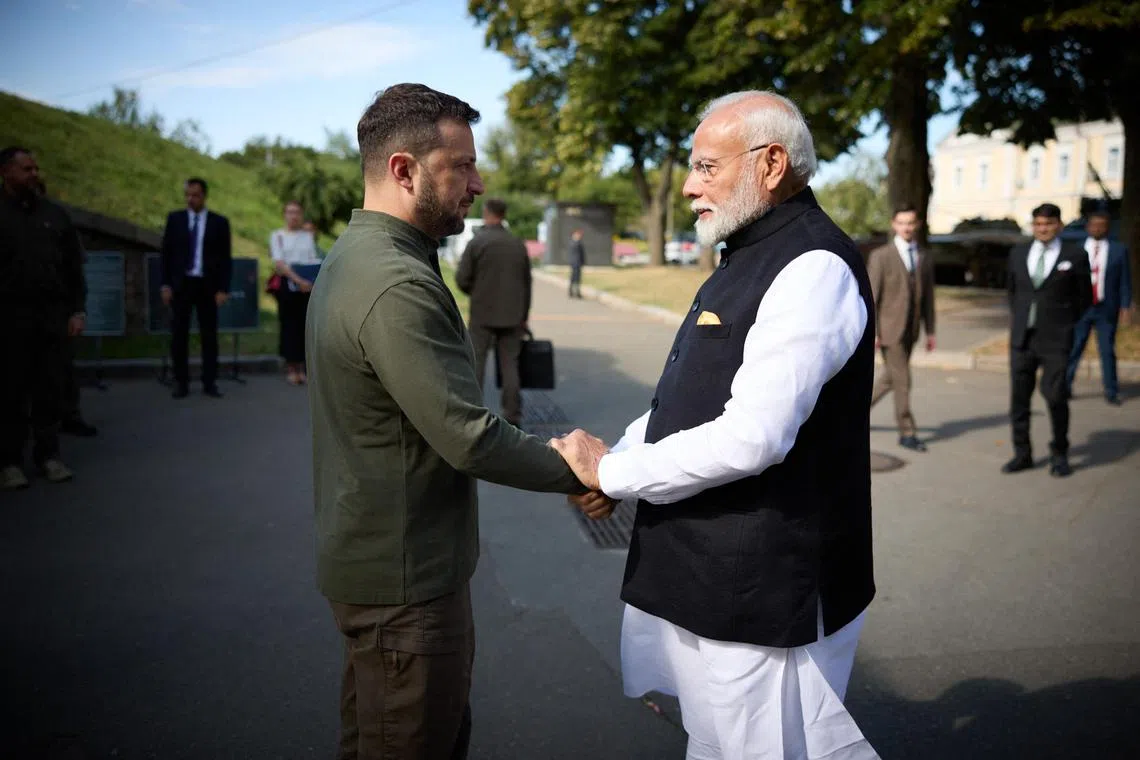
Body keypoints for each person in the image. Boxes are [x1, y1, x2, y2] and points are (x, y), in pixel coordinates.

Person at [552, 91, 880, 759]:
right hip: (709, 573)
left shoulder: (811, 265)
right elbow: (688, 398)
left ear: (772, 163)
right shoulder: (746, 251)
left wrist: (612, 470)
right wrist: (616, 463)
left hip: (763, 586)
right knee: (714, 743)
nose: (692, 188)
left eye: (707, 167)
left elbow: (752, 436)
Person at [305, 83, 604, 760]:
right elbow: (468, 434)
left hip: (382, 563)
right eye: (461, 165)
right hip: (404, 586)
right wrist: (581, 469)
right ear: (404, 170)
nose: (478, 181)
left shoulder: (364, 258)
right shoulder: (394, 282)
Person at [0, 147, 86, 489]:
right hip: (8, 317)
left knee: (49, 388)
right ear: (6, 172)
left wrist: (76, 310)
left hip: (51, 317)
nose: (34, 174)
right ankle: (9, 461)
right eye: (26, 169)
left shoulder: (55, 215)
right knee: (10, 389)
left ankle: (49, 456)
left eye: (36, 167)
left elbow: (73, 269)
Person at [1003, 203, 1091, 478]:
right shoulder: (1018, 253)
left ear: (1059, 226)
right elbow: (1012, 292)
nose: (1043, 229)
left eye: (1048, 224)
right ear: (1033, 226)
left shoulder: (1074, 255)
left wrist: (1064, 323)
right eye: (1038, 224)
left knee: (1055, 397)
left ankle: (1059, 454)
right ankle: (1022, 453)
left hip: (1055, 340)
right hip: (1022, 339)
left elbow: (1084, 298)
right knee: (1019, 400)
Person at [455, 198, 532, 426]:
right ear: (504, 214)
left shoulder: (478, 243)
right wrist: (524, 315)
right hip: (513, 315)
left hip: (482, 313)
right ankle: (512, 415)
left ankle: (475, 413)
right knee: (510, 366)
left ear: (487, 213)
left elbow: (461, 279)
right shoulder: (517, 244)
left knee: (477, 363)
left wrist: (475, 292)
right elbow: (527, 283)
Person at [867, 204, 936, 452]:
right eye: (902, 223)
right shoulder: (881, 257)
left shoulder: (924, 256)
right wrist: (873, 331)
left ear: (916, 225)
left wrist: (930, 331)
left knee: (889, 379)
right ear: (894, 225)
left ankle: (851, 414)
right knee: (903, 380)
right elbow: (871, 297)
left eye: (911, 223)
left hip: (912, 330)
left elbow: (928, 297)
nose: (906, 227)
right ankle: (907, 432)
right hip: (888, 330)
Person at [159, 177, 232, 399]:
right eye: (188, 195)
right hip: (182, 285)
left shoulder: (219, 222)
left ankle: (209, 382)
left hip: (207, 286)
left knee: (209, 336)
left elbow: (225, 259)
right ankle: (181, 382)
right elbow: (166, 255)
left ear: (204, 196)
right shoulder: (175, 219)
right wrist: (165, 284)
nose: (191, 199)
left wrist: (223, 289)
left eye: (196, 195)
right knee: (179, 335)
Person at [1065, 210, 1132, 405]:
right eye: (1094, 225)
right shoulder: (1076, 249)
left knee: (1107, 350)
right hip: (1082, 308)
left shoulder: (1119, 250)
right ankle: (1065, 386)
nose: (1097, 229)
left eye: (1102, 225)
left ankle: (1111, 391)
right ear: (1088, 227)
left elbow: (1124, 281)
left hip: (1106, 308)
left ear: (1107, 228)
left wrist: (1125, 306)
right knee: (1075, 347)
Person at [270, 200, 321, 385]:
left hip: (307, 287)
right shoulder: (278, 236)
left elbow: (312, 259)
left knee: (305, 327)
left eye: (297, 212)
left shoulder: (307, 236)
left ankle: (305, 368)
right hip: (288, 287)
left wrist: (309, 281)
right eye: (290, 212)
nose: (293, 216)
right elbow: (279, 263)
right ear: (285, 214)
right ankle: (292, 367)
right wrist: (298, 280)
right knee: (289, 327)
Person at [567, 227, 585, 298]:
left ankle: (576, 292)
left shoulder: (579, 243)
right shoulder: (573, 243)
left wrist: (583, 262)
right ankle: (572, 292)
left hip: (578, 263)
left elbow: (582, 254)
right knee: (574, 278)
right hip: (574, 263)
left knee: (578, 278)